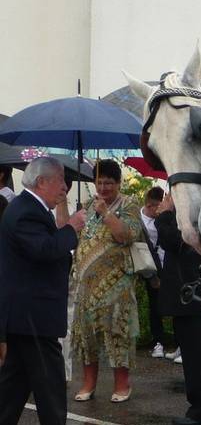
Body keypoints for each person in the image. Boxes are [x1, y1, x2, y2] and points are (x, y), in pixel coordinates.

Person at [0, 157, 95, 425]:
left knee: (16, 380)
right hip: (32, 312)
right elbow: (43, 251)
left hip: (26, 311)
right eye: (60, 181)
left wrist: (65, 230)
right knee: (49, 377)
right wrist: (70, 229)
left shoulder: (29, 209)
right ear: (42, 182)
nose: (64, 188)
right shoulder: (26, 212)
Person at [71, 159, 142, 403]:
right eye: (99, 182)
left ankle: (122, 384)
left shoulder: (130, 204)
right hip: (85, 286)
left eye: (109, 183)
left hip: (116, 285)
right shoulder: (87, 205)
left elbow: (126, 235)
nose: (103, 188)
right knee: (86, 336)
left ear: (118, 183)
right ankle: (89, 383)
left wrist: (106, 213)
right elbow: (70, 233)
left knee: (117, 334)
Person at [155, 195, 201, 425]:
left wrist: (165, 214)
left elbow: (172, 241)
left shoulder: (190, 214)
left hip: (190, 292)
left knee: (198, 356)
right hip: (196, 292)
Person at [139, 186, 168, 358]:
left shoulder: (163, 217)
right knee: (155, 306)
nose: (158, 209)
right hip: (150, 266)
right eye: (155, 206)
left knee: (172, 304)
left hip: (167, 264)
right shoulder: (139, 218)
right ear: (149, 205)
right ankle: (158, 341)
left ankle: (178, 343)